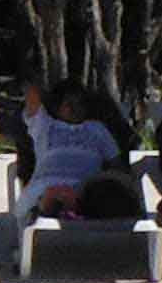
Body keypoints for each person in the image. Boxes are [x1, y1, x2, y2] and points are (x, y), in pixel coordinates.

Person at [17, 78, 142, 220]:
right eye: (68, 104)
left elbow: (117, 165)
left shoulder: (97, 129)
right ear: (57, 107)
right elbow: (31, 95)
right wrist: (26, 72)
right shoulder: (45, 126)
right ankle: (53, 211)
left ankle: (68, 211)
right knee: (53, 195)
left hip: (87, 189)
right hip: (48, 186)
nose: (74, 108)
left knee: (103, 196)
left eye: (79, 104)